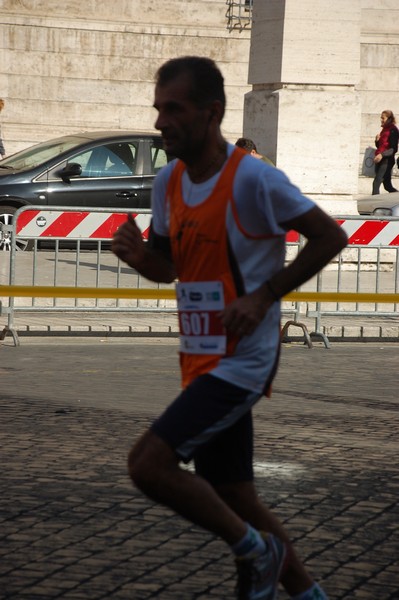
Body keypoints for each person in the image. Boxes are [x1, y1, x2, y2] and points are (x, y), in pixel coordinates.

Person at [112, 56, 347, 600]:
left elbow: (331, 237)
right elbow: (168, 267)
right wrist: (136, 257)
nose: (160, 122)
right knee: (236, 492)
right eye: (158, 109)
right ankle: (308, 594)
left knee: (149, 464)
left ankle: (255, 552)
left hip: (243, 359)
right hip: (200, 354)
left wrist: (265, 295)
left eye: (174, 109)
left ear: (211, 112)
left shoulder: (255, 180)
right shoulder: (168, 180)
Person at [372, 110, 398, 195]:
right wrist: (377, 141)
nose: (381, 120)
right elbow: (380, 146)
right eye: (381, 118)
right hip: (380, 159)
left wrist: (382, 155)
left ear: (389, 118)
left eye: (383, 118)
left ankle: (374, 205)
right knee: (387, 186)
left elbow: (393, 149)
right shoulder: (384, 130)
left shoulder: (393, 130)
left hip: (387, 160)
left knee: (376, 183)